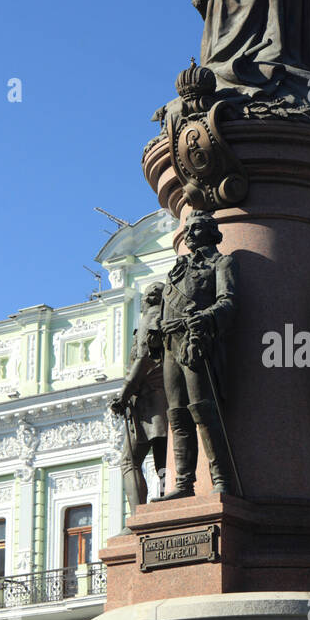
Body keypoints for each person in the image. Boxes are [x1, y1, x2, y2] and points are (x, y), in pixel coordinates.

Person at [159, 212, 238, 496]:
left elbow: (228, 302)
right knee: (177, 414)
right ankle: (183, 484)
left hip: (196, 340)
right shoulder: (178, 268)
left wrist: (206, 317)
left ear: (210, 232)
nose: (188, 234)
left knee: (203, 410)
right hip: (171, 344)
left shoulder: (221, 263)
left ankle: (221, 480)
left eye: (195, 228)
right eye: (187, 229)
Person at [110, 284, 167, 511]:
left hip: (148, 402)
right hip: (166, 398)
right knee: (164, 460)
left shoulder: (150, 317)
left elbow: (142, 359)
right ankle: (169, 505)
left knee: (129, 461)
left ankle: (137, 516)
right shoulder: (166, 318)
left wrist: (123, 396)